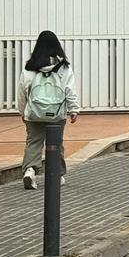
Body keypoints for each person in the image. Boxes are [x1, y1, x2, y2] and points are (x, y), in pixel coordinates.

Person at [16, 30, 79, 191]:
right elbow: (69, 90)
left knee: (34, 142)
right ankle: (57, 175)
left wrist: (23, 111)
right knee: (56, 143)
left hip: (34, 113)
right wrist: (74, 109)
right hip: (56, 113)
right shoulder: (63, 67)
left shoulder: (30, 67)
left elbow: (22, 91)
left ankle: (30, 171)